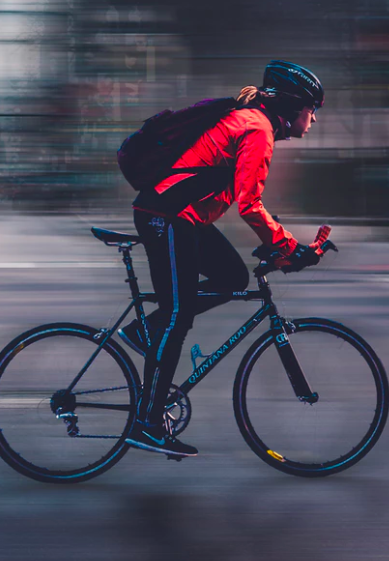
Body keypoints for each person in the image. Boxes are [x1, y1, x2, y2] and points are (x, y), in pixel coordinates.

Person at [120, 60, 325, 457]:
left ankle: (147, 331)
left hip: (182, 216)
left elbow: (244, 197)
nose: (314, 118)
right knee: (178, 317)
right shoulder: (258, 128)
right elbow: (249, 204)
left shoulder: (254, 123)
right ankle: (147, 422)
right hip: (167, 215)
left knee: (232, 278)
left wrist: (280, 243)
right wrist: (287, 246)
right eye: (313, 108)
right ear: (294, 105)